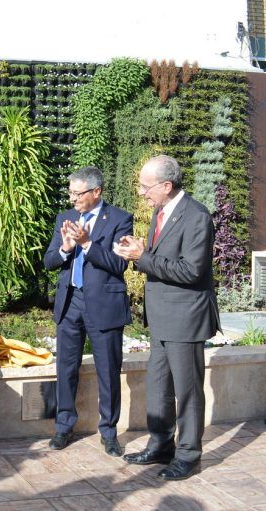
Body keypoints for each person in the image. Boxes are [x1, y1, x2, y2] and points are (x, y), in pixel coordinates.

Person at [116, 155, 219, 481]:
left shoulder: (197, 217)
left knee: (187, 391)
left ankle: (189, 455)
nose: (142, 192)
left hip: (185, 319)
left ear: (166, 185)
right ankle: (161, 445)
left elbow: (191, 271)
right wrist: (142, 249)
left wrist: (142, 258)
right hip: (161, 318)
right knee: (158, 386)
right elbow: (164, 260)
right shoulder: (162, 211)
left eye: (147, 187)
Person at [42, 166, 133, 456]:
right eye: (70, 192)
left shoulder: (119, 219)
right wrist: (67, 248)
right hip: (70, 303)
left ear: (96, 192)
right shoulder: (65, 218)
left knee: (108, 370)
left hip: (104, 305)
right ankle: (63, 427)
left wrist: (87, 244)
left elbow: (119, 264)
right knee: (65, 368)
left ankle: (109, 433)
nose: (73, 199)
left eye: (78, 193)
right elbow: (49, 261)